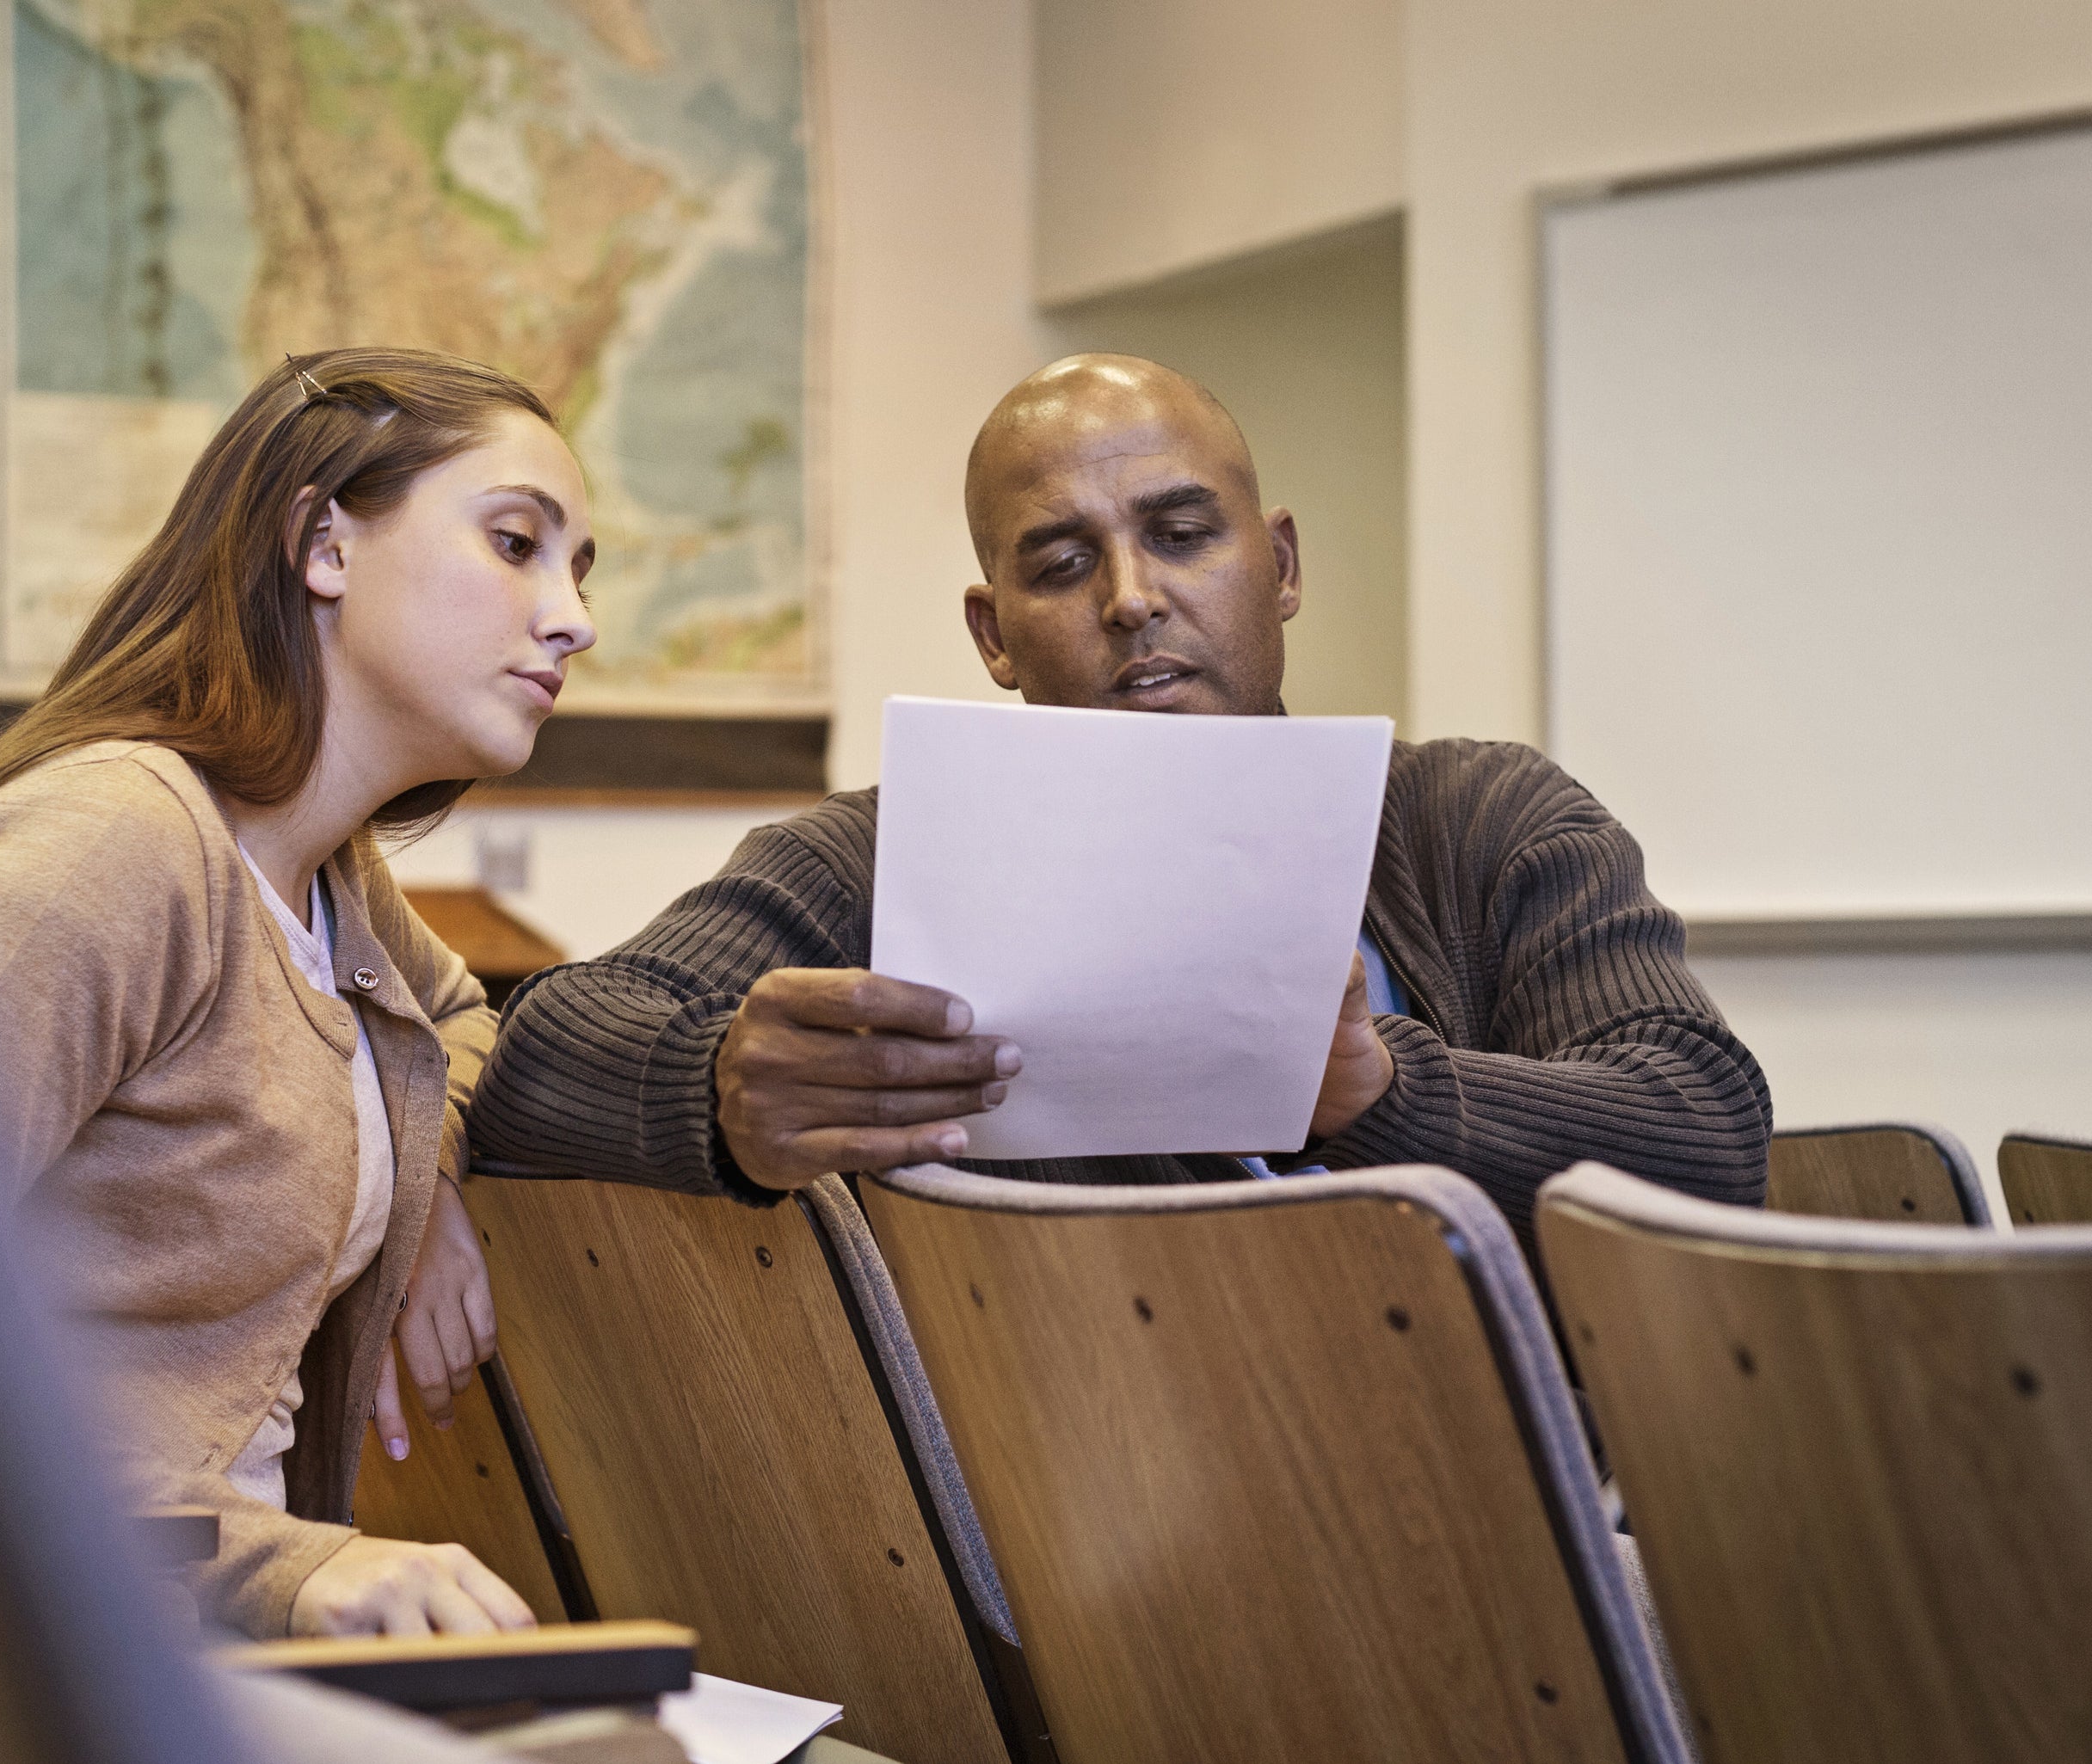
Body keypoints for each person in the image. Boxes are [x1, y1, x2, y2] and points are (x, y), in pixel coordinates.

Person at [469, 353, 1769, 1240]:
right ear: (994, 634)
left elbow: (1705, 1130)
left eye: (1185, 534)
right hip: (1072, 1519)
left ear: (1280, 566)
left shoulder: (1481, 820)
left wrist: (1374, 1095)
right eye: (1062, 561)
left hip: (1468, 1503)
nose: (1133, 597)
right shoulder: (880, 856)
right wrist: (722, 1089)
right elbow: (544, 1057)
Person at [0, 348, 594, 1638]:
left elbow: (452, 1021)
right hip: (19, 1654)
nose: (572, 618)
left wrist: (423, 1177)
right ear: (322, 542)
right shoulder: (110, 846)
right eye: (515, 544)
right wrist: (287, 1570)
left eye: (578, 568)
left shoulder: (331, 875)